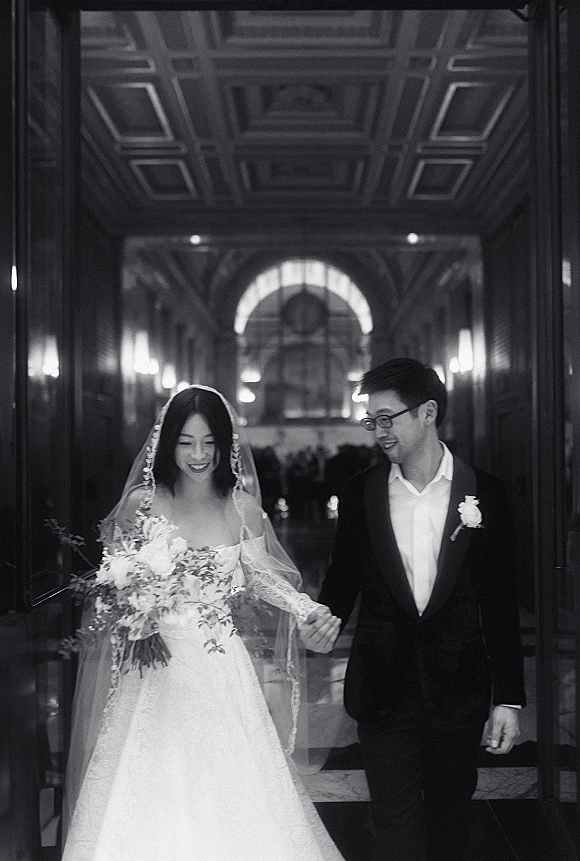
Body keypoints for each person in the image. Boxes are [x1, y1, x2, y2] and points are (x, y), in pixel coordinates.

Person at [61, 385, 342, 861]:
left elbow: (262, 576)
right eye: (186, 442)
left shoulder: (241, 507)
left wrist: (303, 608)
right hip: (151, 670)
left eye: (209, 443)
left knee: (230, 785)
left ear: (226, 444)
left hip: (218, 666)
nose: (197, 455)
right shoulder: (140, 504)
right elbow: (113, 577)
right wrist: (133, 605)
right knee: (146, 780)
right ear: (167, 443)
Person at [302, 358, 526, 861]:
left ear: (427, 412)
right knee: (394, 827)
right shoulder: (361, 493)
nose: (378, 432)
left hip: (459, 687)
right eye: (371, 420)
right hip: (383, 687)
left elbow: (500, 600)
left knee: (451, 821)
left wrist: (508, 697)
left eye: (388, 418)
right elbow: (342, 580)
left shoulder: (483, 492)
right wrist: (321, 619)